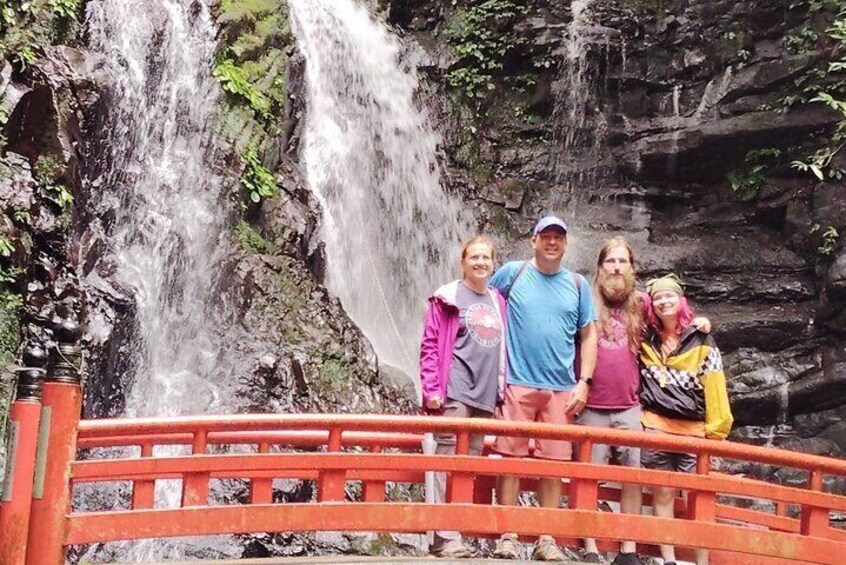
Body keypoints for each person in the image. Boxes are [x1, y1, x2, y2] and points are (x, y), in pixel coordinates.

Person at [487, 215, 598, 561]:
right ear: (533, 241)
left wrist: (584, 382)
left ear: (565, 244)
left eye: (558, 238)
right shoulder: (513, 273)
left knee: (555, 464)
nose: (552, 242)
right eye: (545, 236)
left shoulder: (578, 285)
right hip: (517, 382)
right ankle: (507, 533)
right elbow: (484, 306)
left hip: (562, 388)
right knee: (510, 459)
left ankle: (546, 537)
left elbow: (588, 334)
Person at [419, 235, 508, 559]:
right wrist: (431, 389)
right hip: (455, 390)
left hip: (485, 395)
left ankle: (453, 530)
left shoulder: (498, 301)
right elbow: (430, 344)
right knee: (447, 461)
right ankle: (446, 536)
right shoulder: (448, 296)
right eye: (475, 257)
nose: (481, 263)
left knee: (466, 466)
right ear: (463, 262)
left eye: (486, 258)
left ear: (493, 262)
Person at [639, 274, 733, 565]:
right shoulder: (645, 339)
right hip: (656, 427)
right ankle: (669, 559)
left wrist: (716, 433)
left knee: (699, 500)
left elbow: (715, 386)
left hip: (694, 431)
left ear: (681, 300)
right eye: (658, 298)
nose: (664, 302)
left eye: (669, 296)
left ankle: (701, 561)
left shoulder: (702, 339)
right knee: (663, 495)